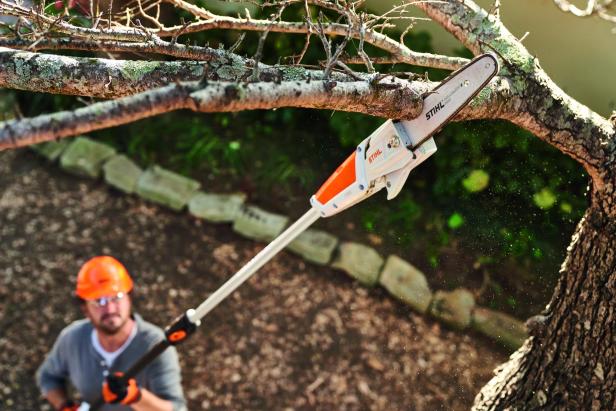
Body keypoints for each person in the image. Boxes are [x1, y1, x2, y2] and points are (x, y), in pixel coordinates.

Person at [36, 256, 187, 411]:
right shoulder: (72, 339)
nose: (110, 309)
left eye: (116, 297)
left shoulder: (156, 345)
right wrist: (64, 405)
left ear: (129, 297)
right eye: (98, 301)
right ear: (85, 308)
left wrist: (135, 397)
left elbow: (176, 408)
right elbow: (47, 377)